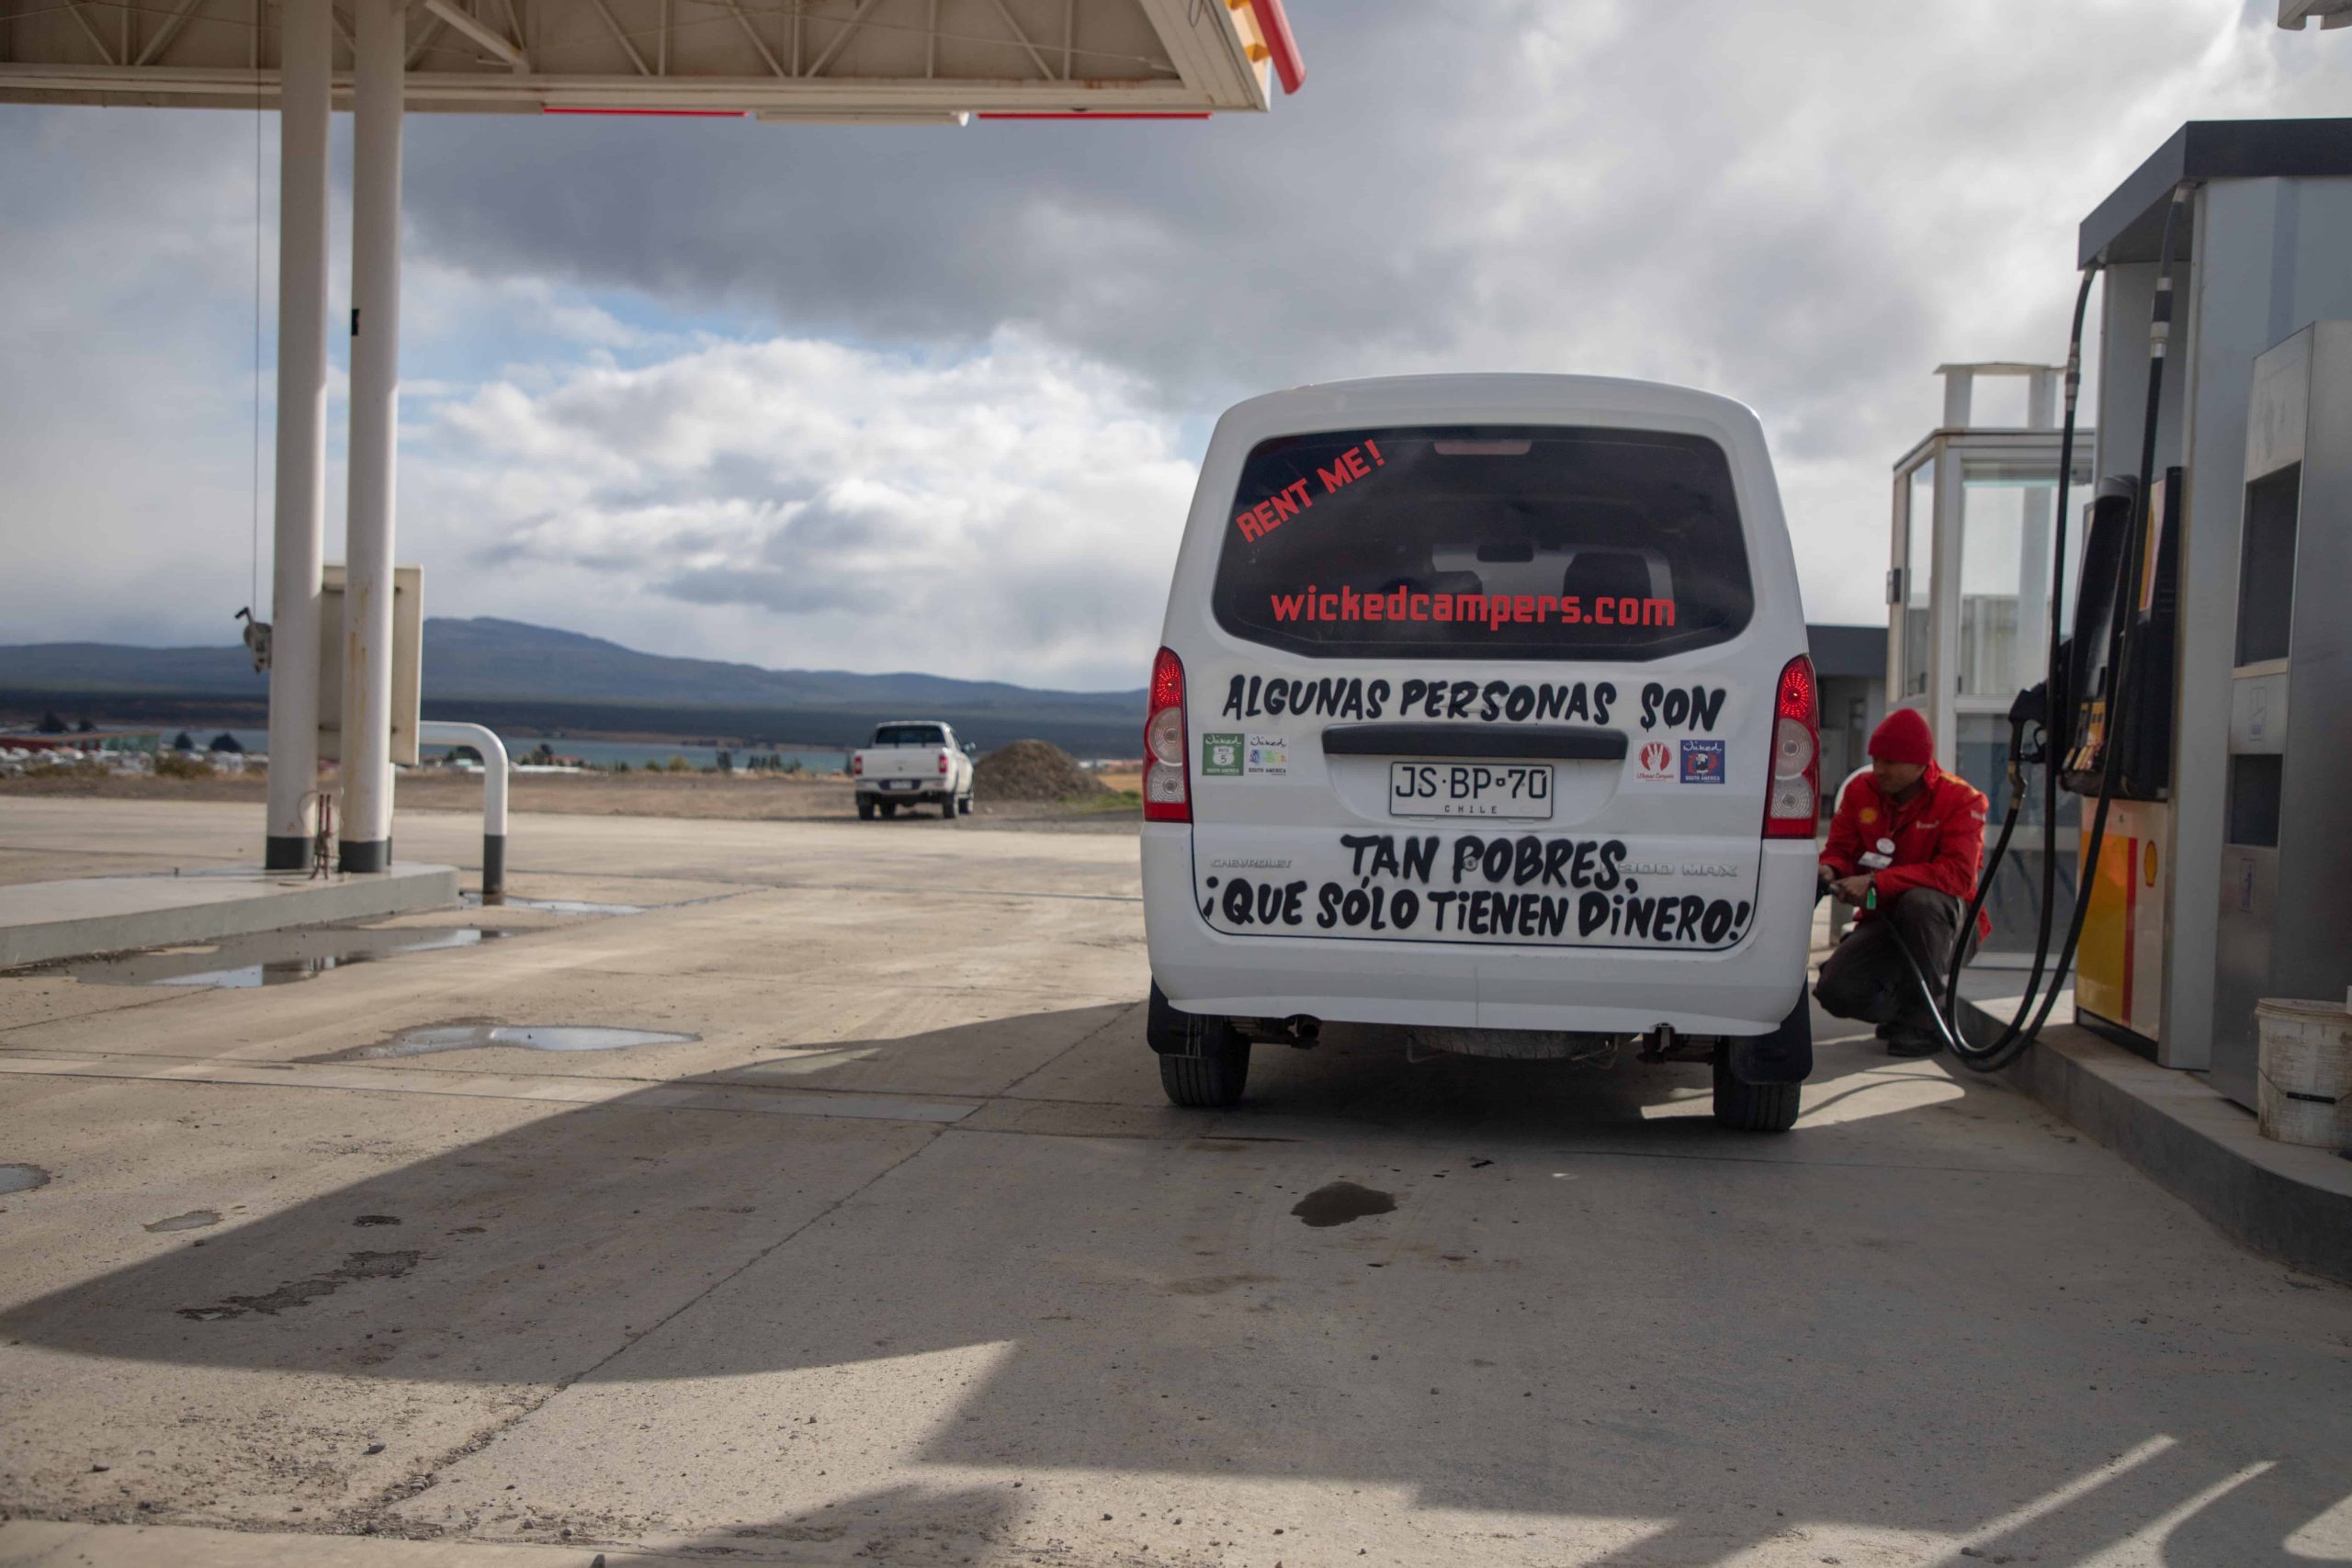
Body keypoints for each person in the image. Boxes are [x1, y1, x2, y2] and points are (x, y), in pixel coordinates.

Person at [1814, 707, 1991, 1057]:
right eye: (1876, 759)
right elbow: (1840, 849)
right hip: (1885, 921)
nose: (1879, 769)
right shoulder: (1861, 793)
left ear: (1920, 763)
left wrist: (1878, 882)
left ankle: (1923, 1022)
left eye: (1890, 762)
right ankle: (1902, 1010)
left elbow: (1957, 875)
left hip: (1946, 926)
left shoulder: (1961, 799)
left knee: (1920, 903)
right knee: (1835, 991)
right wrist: (1829, 869)